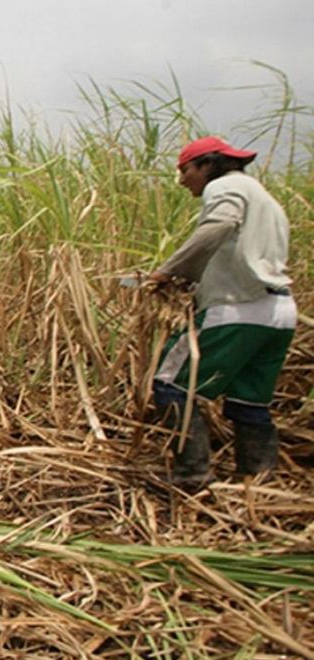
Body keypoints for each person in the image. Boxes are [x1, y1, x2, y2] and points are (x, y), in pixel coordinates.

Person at [147, 136, 296, 490]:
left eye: (185, 170)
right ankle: (257, 478)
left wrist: (169, 271)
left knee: (169, 384)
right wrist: (195, 284)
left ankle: (191, 474)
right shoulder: (264, 198)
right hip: (278, 312)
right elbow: (245, 254)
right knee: (249, 398)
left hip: (237, 310)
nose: (182, 181)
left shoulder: (226, 186)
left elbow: (219, 227)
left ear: (207, 165)